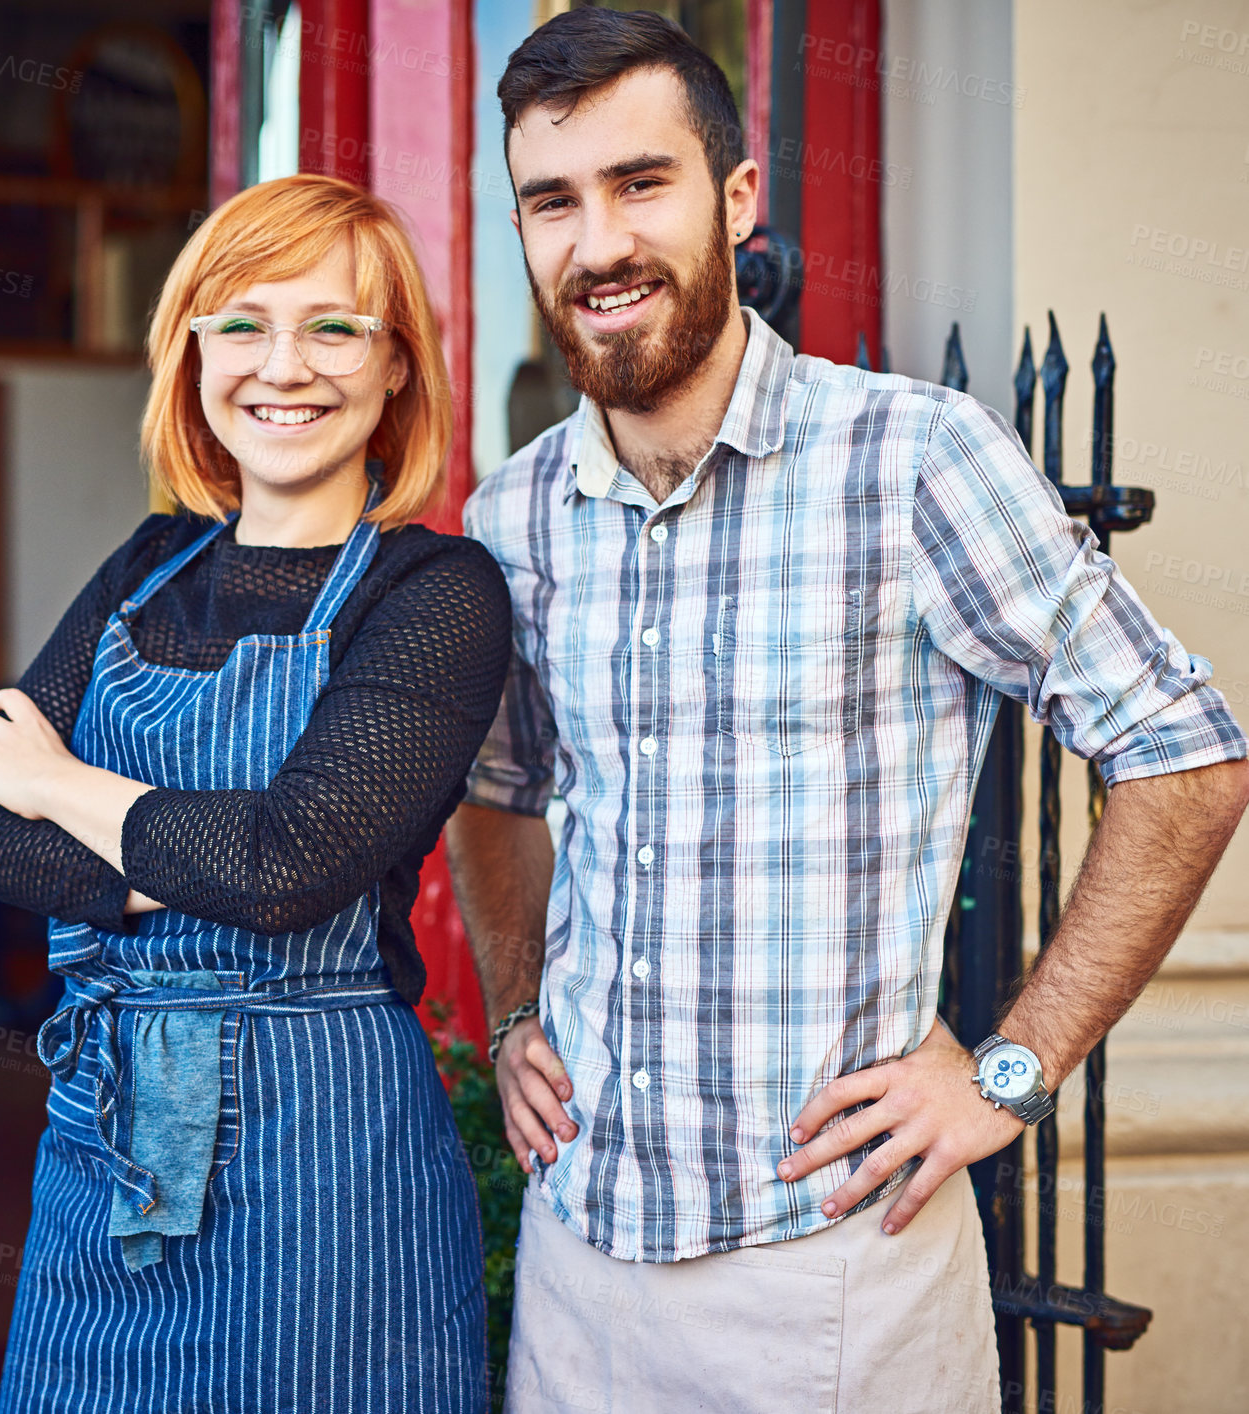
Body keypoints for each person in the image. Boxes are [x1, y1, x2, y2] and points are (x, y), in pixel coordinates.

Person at [444, 10, 1249, 1413]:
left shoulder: (911, 459)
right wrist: (513, 1005)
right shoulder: (513, 512)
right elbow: (499, 785)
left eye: (643, 183)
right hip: (579, 1275)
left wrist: (1009, 1066)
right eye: (553, 201)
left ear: (736, 200)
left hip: (831, 1280)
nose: (598, 242)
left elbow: (1185, 749)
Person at [0, 173, 509, 1414]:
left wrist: (65, 784)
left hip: (326, 1158)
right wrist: (198, 866)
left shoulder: (437, 593)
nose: (280, 365)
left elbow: (290, 865)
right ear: (191, 351)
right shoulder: (146, 565)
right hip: (104, 1134)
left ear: (397, 366)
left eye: (333, 327)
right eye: (241, 322)